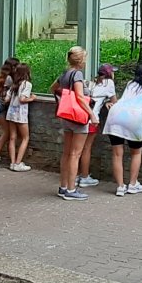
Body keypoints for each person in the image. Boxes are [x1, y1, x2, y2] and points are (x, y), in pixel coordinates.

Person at [103, 62, 142, 196]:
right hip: (133, 119)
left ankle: (120, 187)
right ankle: (133, 184)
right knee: (136, 153)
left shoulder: (130, 84)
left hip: (115, 116)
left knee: (117, 154)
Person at [51, 45, 91, 200]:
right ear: (81, 60)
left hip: (66, 116)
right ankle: (71, 189)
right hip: (79, 118)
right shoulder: (78, 74)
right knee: (76, 154)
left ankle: (63, 186)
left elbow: (53, 88)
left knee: (67, 153)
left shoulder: (65, 73)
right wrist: (92, 114)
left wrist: (64, 100)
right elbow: (80, 97)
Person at [76, 63, 115, 188]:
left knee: (76, 149)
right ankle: (84, 176)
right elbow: (114, 100)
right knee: (86, 148)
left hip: (79, 117)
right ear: (109, 74)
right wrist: (107, 102)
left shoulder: (90, 83)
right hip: (92, 119)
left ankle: (75, 175)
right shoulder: (108, 83)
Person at [5, 62, 36, 171]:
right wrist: (32, 98)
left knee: (12, 138)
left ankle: (12, 162)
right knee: (25, 137)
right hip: (21, 114)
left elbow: (6, 99)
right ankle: (18, 163)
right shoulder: (27, 84)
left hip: (11, 113)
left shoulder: (14, 85)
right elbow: (22, 99)